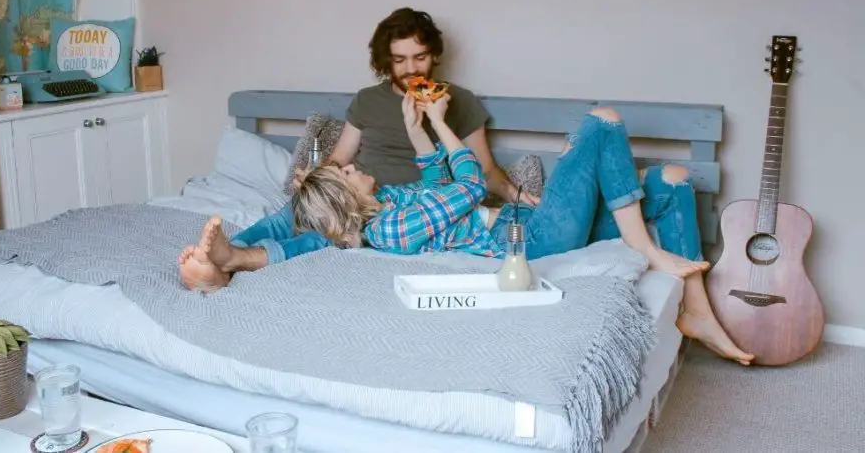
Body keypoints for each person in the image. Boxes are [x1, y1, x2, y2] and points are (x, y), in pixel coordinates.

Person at [178, 91, 755, 366]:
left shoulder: (395, 198)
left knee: (676, 177)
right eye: (349, 172)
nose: (353, 166)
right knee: (602, 122)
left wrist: (425, 124)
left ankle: (693, 307)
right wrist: (446, 133)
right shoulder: (393, 231)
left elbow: (437, 173)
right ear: (347, 200)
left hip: (532, 219)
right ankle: (645, 251)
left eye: (347, 162)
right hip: (535, 237)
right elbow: (470, 185)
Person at [326, 7, 532, 205]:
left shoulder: (460, 100)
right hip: (363, 204)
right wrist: (315, 177)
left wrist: (515, 194)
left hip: (427, 209)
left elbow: (485, 171)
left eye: (420, 57)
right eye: (399, 60)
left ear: (434, 55)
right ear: (387, 61)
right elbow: (338, 159)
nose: (411, 69)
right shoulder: (366, 100)